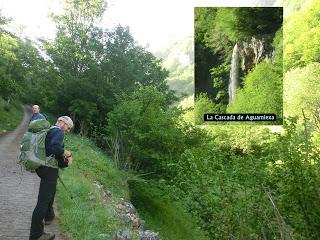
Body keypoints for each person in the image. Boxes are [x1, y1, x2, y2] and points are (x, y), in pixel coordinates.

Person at [29, 116, 74, 240]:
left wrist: (63, 162)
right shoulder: (58, 131)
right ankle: (36, 235)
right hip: (48, 170)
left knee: (49, 194)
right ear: (62, 123)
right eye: (68, 127)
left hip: (42, 167)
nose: (68, 131)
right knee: (42, 202)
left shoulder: (49, 129)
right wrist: (68, 154)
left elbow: (51, 152)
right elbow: (55, 148)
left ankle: (49, 216)